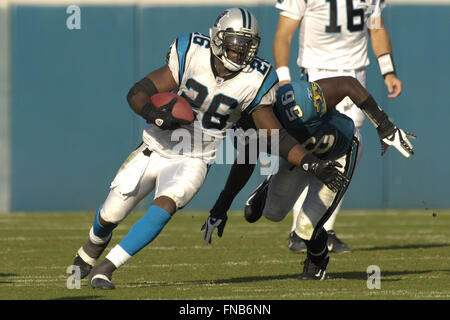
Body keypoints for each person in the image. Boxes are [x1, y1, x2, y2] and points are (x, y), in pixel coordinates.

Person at [70, 7, 348, 289]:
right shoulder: (191, 52)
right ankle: (91, 249)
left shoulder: (256, 79)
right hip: (155, 146)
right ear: (218, 38)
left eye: (248, 46)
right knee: (111, 214)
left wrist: (310, 162)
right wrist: (154, 114)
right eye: (236, 44)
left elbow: (274, 135)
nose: (243, 53)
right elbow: (138, 92)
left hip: (195, 159)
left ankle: (106, 268)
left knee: (165, 206)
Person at [202, 76, 415, 280]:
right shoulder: (244, 128)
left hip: (337, 153)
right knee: (271, 214)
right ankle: (269, 186)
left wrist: (384, 125)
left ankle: (317, 261)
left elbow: (348, 84)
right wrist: (222, 205)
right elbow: (245, 161)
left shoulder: (296, 99)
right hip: (299, 157)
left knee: (305, 227)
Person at [273, 0, 404, 253]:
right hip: (316, 73)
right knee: (310, 147)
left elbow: (375, 28)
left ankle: (323, 228)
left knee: (349, 149)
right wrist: (284, 79)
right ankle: (297, 229)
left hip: (355, 75)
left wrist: (388, 71)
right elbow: (284, 32)